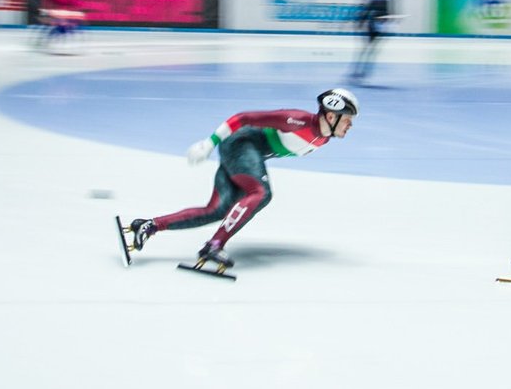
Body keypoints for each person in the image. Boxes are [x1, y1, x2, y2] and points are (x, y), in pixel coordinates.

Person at [122, 89, 359, 269]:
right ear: (330, 116)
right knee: (261, 193)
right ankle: (213, 246)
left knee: (215, 210)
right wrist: (209, 143)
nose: (350, 126)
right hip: (240, 145)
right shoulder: (296, 119)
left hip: (245, 153)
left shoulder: (324, 138)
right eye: (347, 120)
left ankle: (148, 225)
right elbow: (243, 117)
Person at [350, 0, 397, 82]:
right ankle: (361, 71)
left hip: (377, 25)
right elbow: (368, 11)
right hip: (375, 25)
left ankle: (361, 71)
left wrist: (360, 22)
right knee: (369, 50)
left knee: (368, 50)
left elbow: (389, 14)